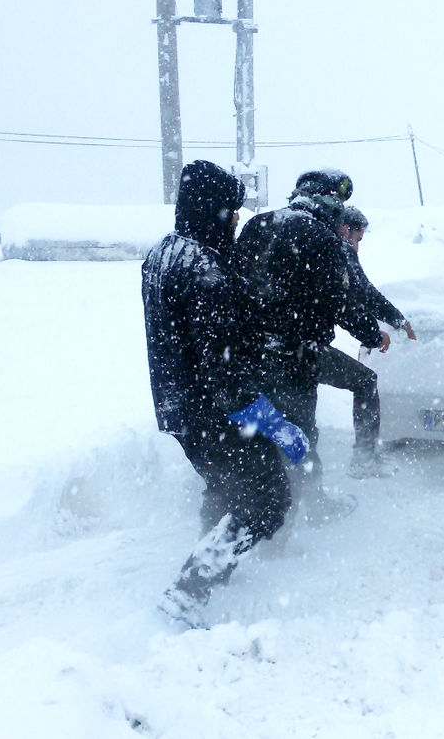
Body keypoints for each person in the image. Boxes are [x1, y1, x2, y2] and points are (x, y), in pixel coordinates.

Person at [141, 160, 309, 628]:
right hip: (215, 411)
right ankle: (191, 589)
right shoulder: (207, 274)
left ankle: (207, 559)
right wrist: (274, 424)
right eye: (231, 212)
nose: (237, 221)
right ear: (211, 211)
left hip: (177, 406)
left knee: (224, 484)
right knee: (267, 500)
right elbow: (225, 374)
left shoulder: (163, 255)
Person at [233, 169, 388, 517]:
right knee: (301, 430)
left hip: (251, 351)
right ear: (329, 201)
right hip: (299, 353)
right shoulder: (321, 237)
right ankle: (310, 504)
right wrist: (372, 334)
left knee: (266, 429)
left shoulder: (258, 225)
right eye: (340, 201)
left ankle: (257, 502)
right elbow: (339, 301)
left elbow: (236, 285)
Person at [317, 204, 417, 479]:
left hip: (272, 345)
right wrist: (383, 329)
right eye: (358, 239)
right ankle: (365, 458)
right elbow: (359, 295)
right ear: (345, 230)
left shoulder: (310, 242)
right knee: (365, 381)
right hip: (305, 347)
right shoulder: (336, 250)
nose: (357, 247)